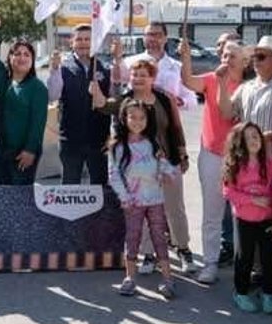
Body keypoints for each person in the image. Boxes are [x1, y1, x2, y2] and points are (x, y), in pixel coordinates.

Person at [93, 58, 192, 270]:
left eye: (143, 75)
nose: (138, 78)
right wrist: (95, 91)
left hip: (167, 162)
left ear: (152, 78)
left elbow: (176, 127)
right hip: (138, 168)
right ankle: (148, 254)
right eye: (135, 74)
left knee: (175, 209)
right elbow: (102, 106)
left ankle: (183, 249)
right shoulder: (125, 100)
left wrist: (182, 155)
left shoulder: (164, 99)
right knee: (145, 212)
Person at [180, 39, 247, 283]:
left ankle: (244, 265)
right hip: (211, 154)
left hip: (240, 158)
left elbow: (226, 111)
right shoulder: (211, 78)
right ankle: (210, 263)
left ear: (244, 61)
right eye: (224, 55)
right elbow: (187, 81)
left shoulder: (247, 86)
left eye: (232, 56)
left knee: (242, 214)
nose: (226, 59)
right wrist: (186, 57)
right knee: (212, 212)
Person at [109, 101, 178, 299]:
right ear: (124, 118)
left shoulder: (152, 143)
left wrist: (171, 172)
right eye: (133, 117)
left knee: (159, 237)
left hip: (155, 199)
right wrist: (124, 197)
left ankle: (167, 279)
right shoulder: (119, 147)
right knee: (133, 237)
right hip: (132, 202)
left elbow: (162, 164)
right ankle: (130, 278)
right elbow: (113, 175)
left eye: (142, 118)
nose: (137, 122)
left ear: (148, 120)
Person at [222, 122, 272, 314]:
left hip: (267, 219)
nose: (254, 141)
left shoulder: (270, 164)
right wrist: (253, 200)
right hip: (244, 219)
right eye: (248, 138)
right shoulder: (236, 165)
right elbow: (228, 191)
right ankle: (241, 291)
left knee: (268, 258)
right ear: (240, 143)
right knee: (244, 257)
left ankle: (269, 292)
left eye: (256, 136)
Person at [47, 24, 112, 185]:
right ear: (72, 42)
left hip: (98, 140)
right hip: (71, 140)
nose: (84, 43)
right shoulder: (63, 68)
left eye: (88, 39)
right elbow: (53, 95)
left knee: (100, 188)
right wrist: (54, 70)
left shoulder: (104, 68)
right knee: (70, 188)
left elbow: (114, 102)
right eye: (80, 39)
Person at [218, 35, 272, 158]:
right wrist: (221, 83)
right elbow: (227, 113)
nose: (255, 61)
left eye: (261, 57)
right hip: (247, 161)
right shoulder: (246, 87)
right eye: (254, 57)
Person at [0, 24, 48, 185]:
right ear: (10, 58)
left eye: (27, 54)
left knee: (19, 200)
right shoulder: (1, 76)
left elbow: (38, 123)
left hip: (22, 153)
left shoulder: (37, 87)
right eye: (17, 54)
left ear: (32, 60)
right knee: (2, 196)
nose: (22, 57)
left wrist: (30, 150)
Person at [122, 22, 197, 111]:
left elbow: (192, 100)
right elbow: (118, 92)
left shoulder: (177, 67)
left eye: (158, 35)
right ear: (143, 38)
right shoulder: (128, 63)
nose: (153, 38)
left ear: (165, 38)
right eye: (149, 35)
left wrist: (178, 101)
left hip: (167, 120)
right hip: (137, 120)